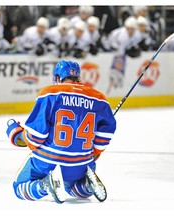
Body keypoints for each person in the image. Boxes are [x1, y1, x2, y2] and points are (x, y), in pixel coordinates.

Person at [6, 60, 117, 203]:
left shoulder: (49, 93)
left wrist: (16, 134)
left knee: (19, 187)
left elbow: (35, 138)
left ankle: (44, 185)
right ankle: (86, 186)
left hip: (48, 162)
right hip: (82, 164)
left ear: (57, 77)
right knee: (70, 186)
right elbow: (104, 137)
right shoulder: (100, 98)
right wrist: (93, 154)